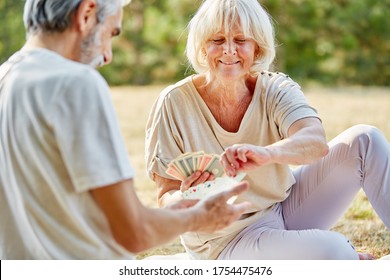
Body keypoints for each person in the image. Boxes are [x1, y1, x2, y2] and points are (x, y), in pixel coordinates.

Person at [0, 0, 251, 260]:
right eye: (111, 33)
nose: (107, 55)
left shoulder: (6, 78)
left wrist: (181, 208)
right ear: (87, 13)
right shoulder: (76, 83)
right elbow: (134, 233)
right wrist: (200, 218)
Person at [145, 0, 390, 260]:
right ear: (202, 46)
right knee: (335, 250)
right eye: (217, 39)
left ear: (257, 47)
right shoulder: (173, 102)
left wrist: (267, 154)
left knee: (365, 139)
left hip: (282, 209)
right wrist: (188, 203)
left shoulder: (275, 88)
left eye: (240, 40)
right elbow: (165, 193)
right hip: (225, 240)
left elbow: (315, 141)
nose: (228, 50)